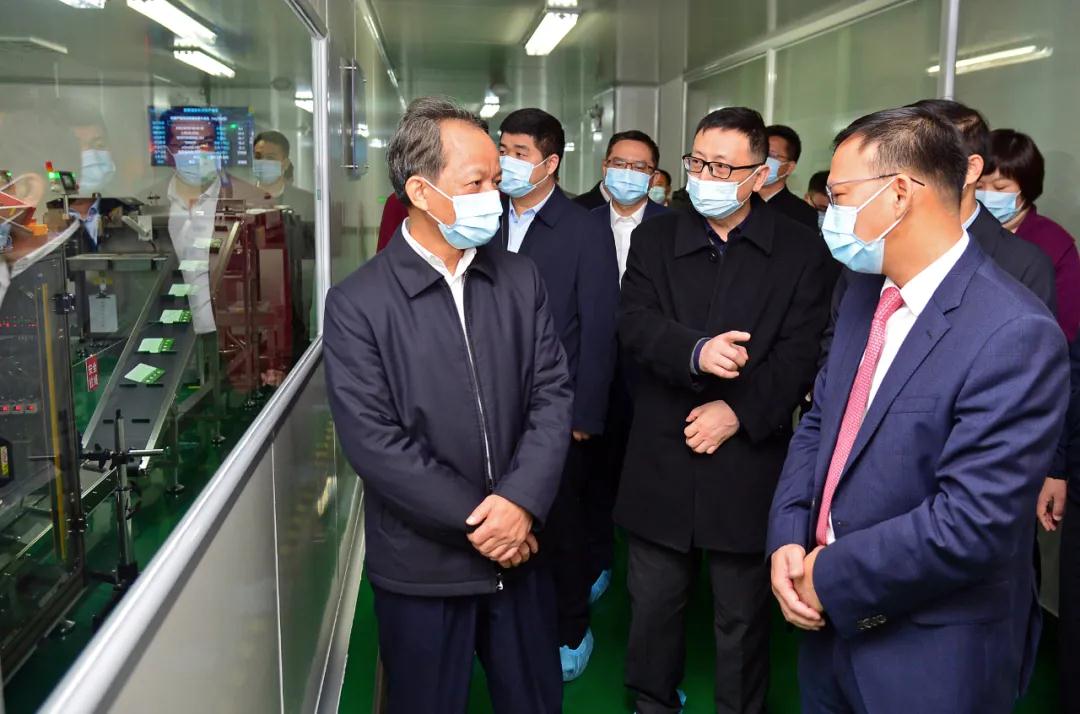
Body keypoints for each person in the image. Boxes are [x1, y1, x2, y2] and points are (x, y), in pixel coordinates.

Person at [767, 105, 1068, 714]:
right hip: (824, 629)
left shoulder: (1014, 331)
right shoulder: (862, 293)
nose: (830, 213)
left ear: (900, 194)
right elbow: (822, 422)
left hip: (929, 654)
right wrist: (788, 537)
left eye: (840, 195)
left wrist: (829, 575)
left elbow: (971, 521)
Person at [324, 97, 573, 714]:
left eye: (497, 180)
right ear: (421, 191)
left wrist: (521, 503)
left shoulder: (519, 279)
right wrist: (487, 524)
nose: (497, 196)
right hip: (424, 569)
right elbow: (375, 443)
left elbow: (551, 395)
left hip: (521, 556)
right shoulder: (359, 304)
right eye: (477, 182)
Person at [618, 107, 831, 714]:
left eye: (721, 167)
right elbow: (632, 323)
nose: (704, 176)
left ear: (760, 174)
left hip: (748, 459)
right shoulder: (656, 237)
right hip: (663, 451)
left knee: (742, 614)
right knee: (654, 606)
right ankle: (652, 703)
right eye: (697, 162)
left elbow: (802, 352)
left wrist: (738, 412)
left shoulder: (801, 248)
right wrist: (695, 351)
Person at [495, 107, 619, 681]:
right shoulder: (484, 217)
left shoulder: (584, 228)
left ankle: (571, 628)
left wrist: (585, 411)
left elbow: (599, 325)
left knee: (562, 525)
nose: (506, 162)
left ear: (549, 163)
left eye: (518, 153)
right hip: (494, 406)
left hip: (556, 408)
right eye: (502, 149)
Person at [584, 130, 670, 617]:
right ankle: (598, 560)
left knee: (645, 468)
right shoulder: (581, 223)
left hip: (652, 371)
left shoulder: (672, 226)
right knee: (593, 469)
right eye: (620, 163)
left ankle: (643, 565)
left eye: (640, 167)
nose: (628, 174)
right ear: (604, 166)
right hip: (594, 367)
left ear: (654, 175)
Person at [978, 128, 1080, 342]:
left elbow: (1064, 326)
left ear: (1025, 188)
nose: (987, 195)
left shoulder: (1055, 243)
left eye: (1000, 187)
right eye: (979, 186)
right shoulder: (960, 232)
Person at [759, 125, 819, 230]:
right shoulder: (739, 199)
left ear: (789, 167)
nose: (762, 159)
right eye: (759, 153)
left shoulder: (803, 213)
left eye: (771, 155)